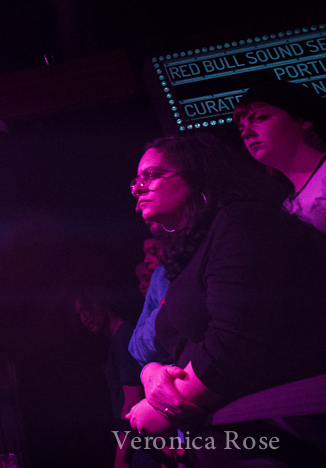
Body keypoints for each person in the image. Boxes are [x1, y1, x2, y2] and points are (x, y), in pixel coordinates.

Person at [126, 134, 326, 466]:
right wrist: (152, 372)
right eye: (137, 179)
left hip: (280, 434)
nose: (138, 188)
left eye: (152, 174)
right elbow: (191, 343)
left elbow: (238, 347)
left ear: (197, 174)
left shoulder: (243, 222)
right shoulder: (195, 248)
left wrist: (163, 404)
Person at [235, 80, 326, 233]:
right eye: (241, 127)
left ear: (302, 120)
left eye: (260, 118)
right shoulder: (285, 209)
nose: (246, 132)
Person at [74, 287, 143, 468]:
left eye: (87, 310)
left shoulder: (123, 338)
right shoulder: (117, 340)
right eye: (80, 314)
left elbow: (132, 400)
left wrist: (121, 456)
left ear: (101, 303)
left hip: (140, 444)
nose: (84, 318)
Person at [128, 236, 169, 367]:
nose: (146, 260)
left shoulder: (161, 273)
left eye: (152, 252)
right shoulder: (159, 278)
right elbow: (135, 348)